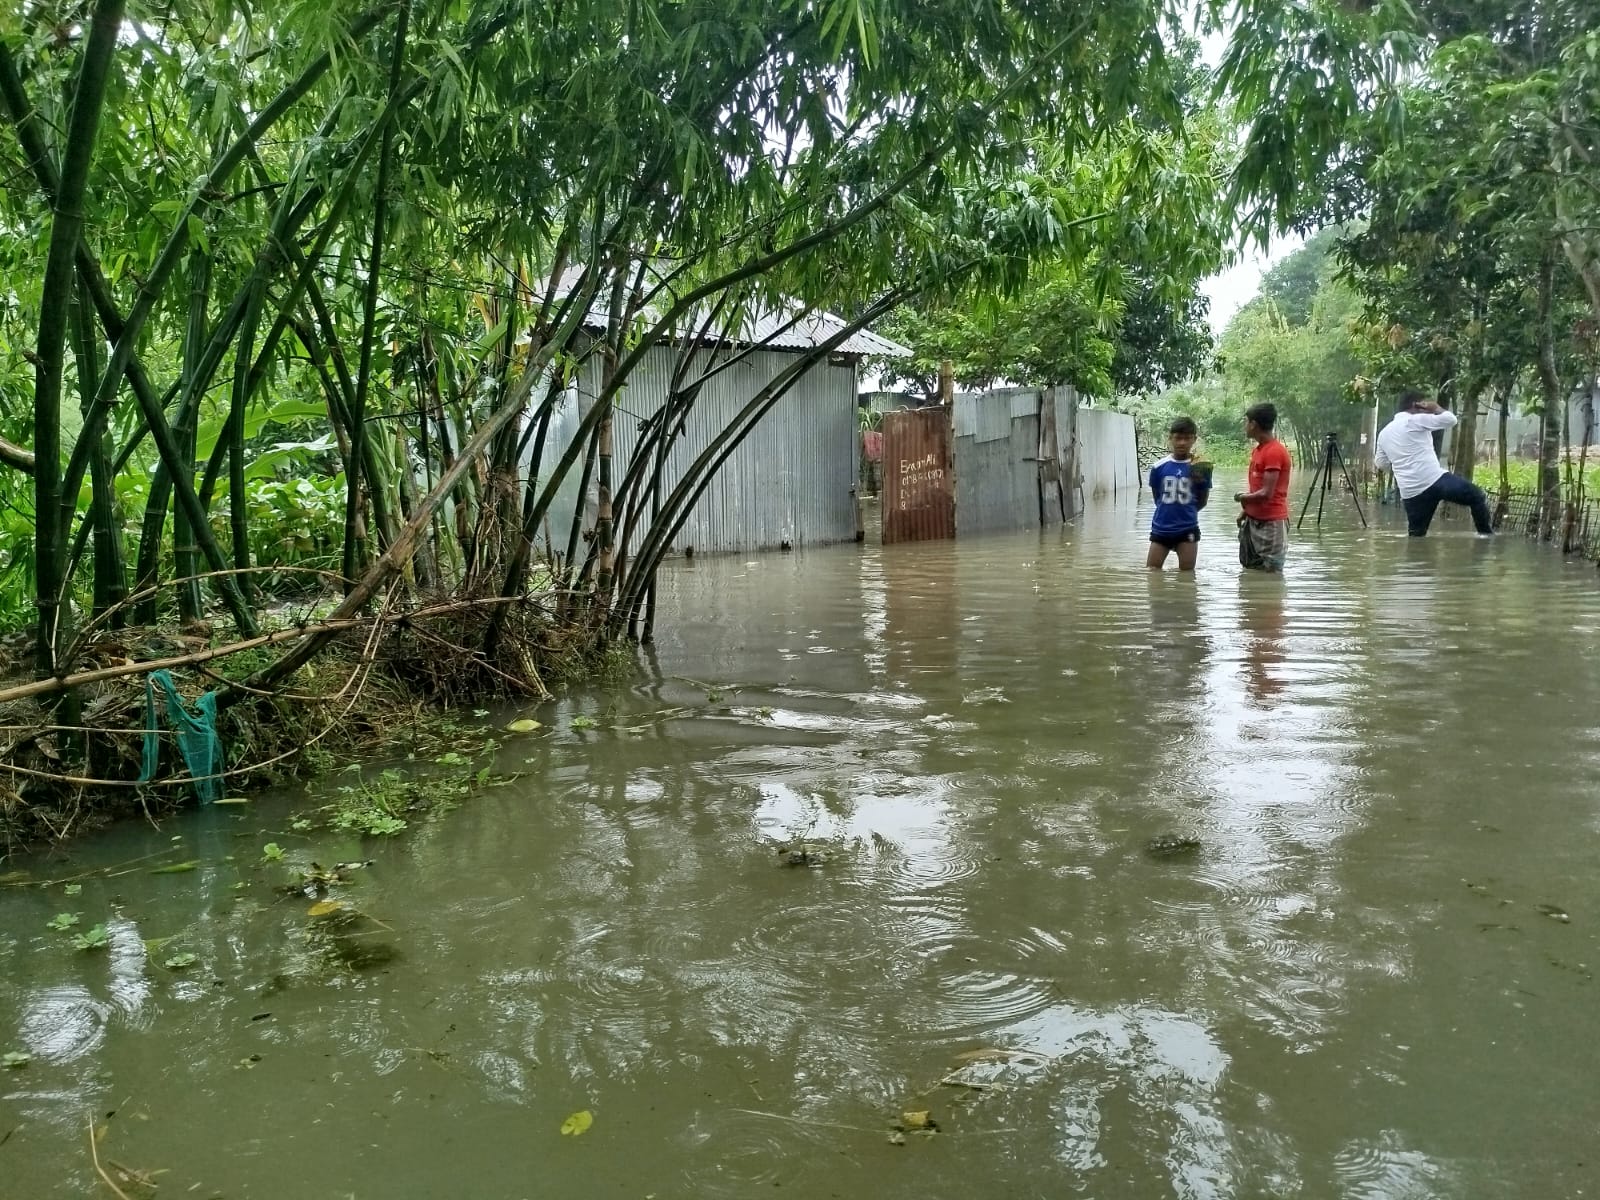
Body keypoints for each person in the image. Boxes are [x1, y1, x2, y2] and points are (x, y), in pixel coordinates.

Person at [1373, 391, 1493, 537]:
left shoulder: (1384, 433)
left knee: (1416, 536)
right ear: (1415, 405)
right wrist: (1436, 408)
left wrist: (1403, 468)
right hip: (1434, 480)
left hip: (1410, 491)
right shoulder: (1415, 420)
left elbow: (1380, 463)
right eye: (1423, 403)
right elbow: (1451, 420)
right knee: (1477, 496)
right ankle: (1486, 541)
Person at [1147, 417, 1212, 571]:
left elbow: (1202, 500)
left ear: (1194, 439)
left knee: (1187, 576)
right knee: (1152, 572)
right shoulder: (1158, 467)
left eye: (1187, 438)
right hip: (1161, 528)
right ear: (1170, 438)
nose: (1182, 443)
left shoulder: (1202, 468)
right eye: (1178, 438)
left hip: (1187, 529)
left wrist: (1186, 512)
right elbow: (1158, 498)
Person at [1234, 403, 1292, 572]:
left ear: (1254, 425)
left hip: (1271, 524)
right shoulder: (1258, 451)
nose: (1245, 426)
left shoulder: (1274, 451)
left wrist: (1241, 497)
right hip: (1254, 520)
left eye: (1246, 422)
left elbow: (1267, 493)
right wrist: (1245, 511)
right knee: (1251, 571)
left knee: (1271, 575)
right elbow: (1257, 488)